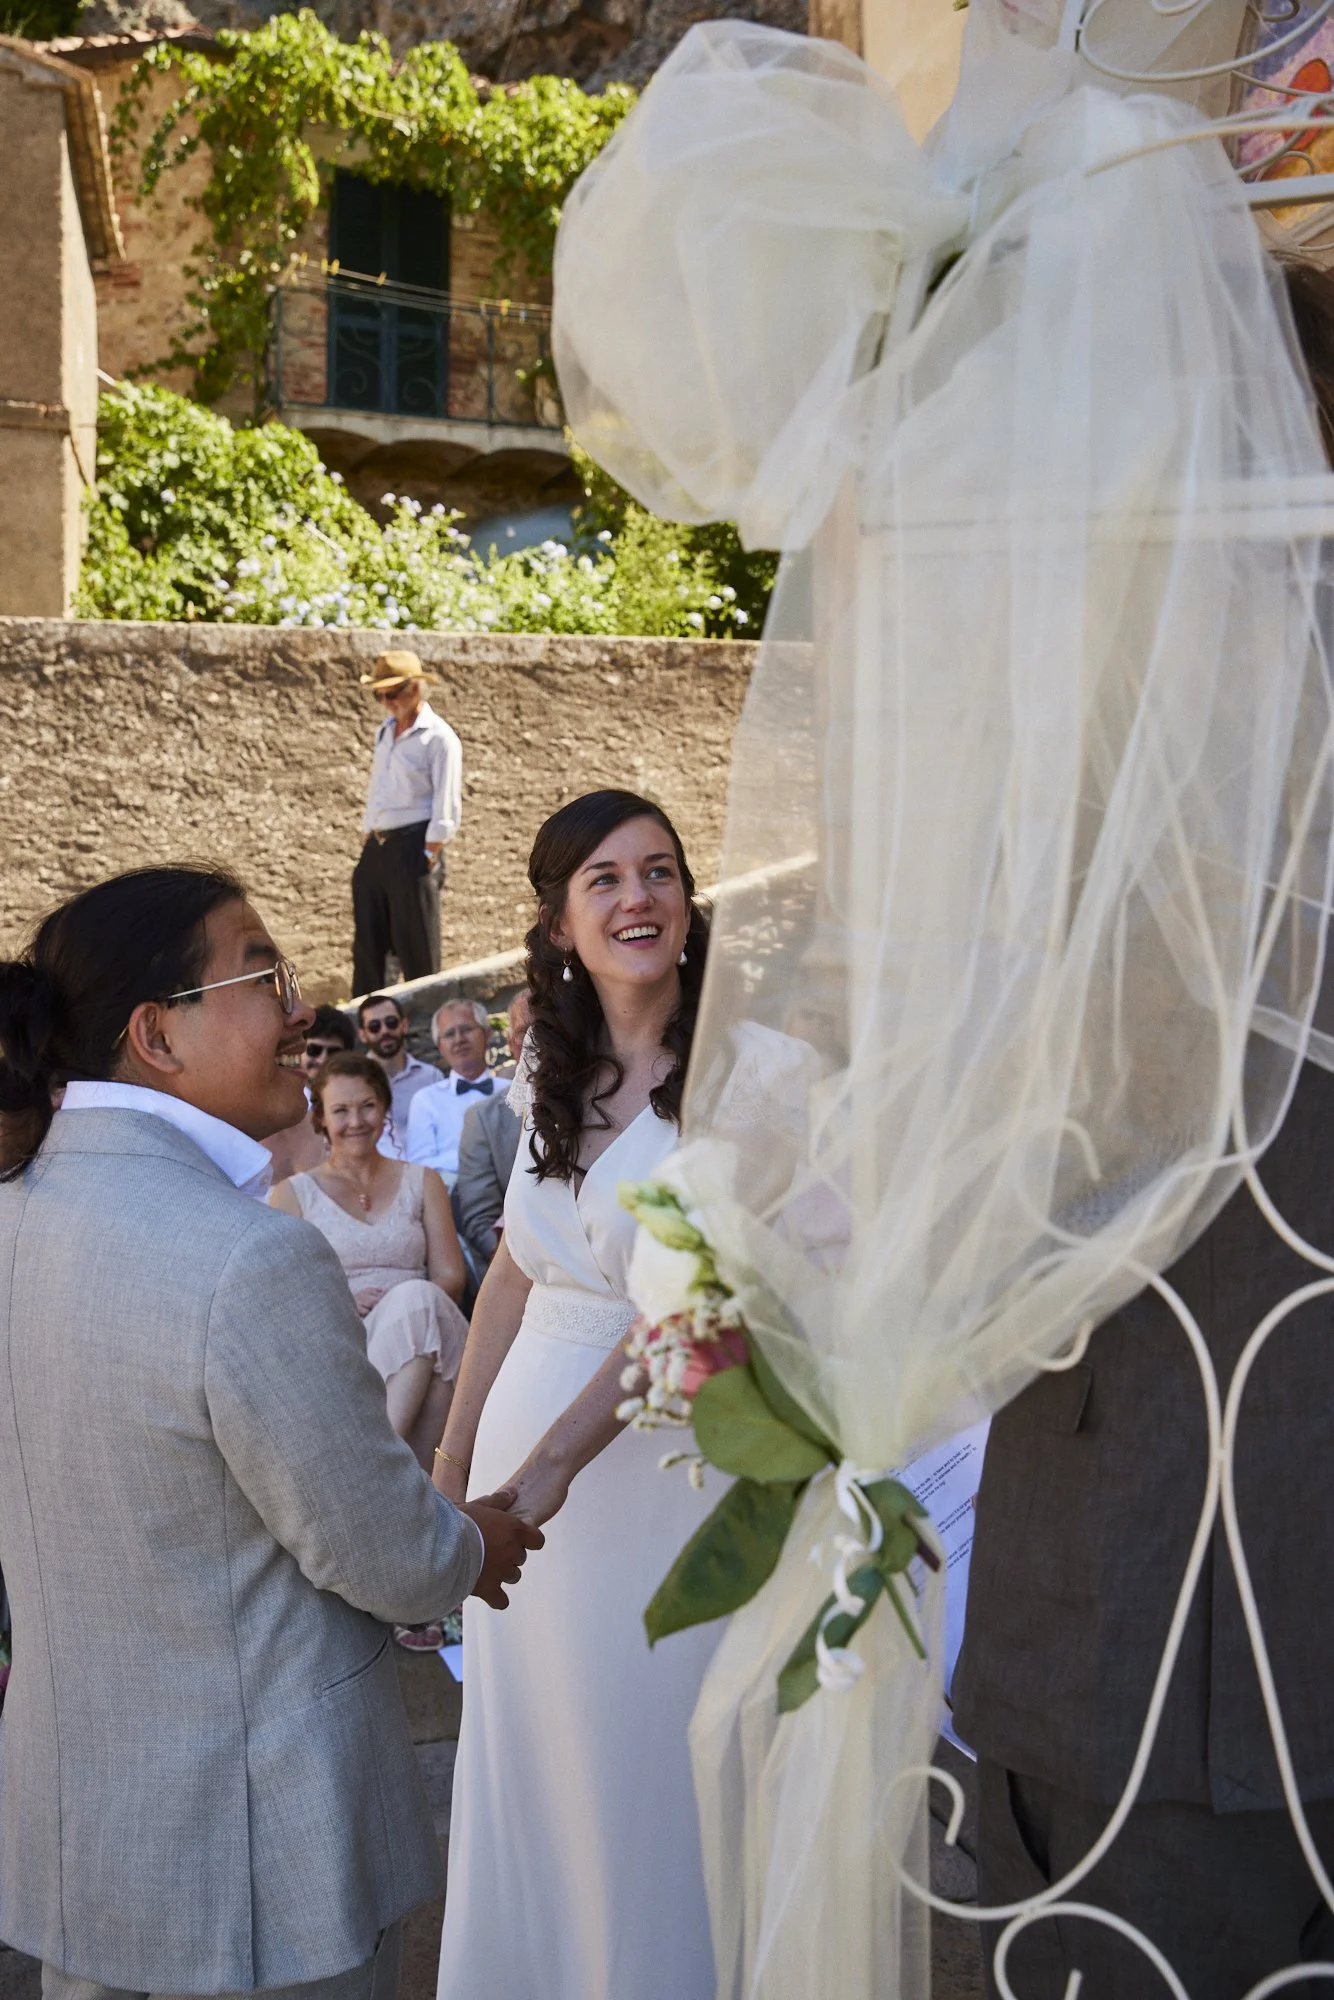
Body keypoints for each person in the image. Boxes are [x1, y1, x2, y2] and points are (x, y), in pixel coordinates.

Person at [0, 866, 542, 2000]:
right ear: (157, 1033)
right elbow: (377, 1548)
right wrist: (471, 1541)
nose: (301, 1007)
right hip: (256, 1852)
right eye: (264, 972)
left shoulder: (18, 1214)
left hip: (77, 1833)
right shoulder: (247, 1255)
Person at [432, 790, 719, 2000]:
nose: (636, 896)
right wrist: (449, 1470)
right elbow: (507, 1269)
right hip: (514, 1484)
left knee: (640, 1765)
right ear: (557, 922)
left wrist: (544, 1470)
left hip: (656, 1474)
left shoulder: (747, 1072)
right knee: (535, 1765)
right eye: (601, 878)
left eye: (658, 871)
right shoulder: (544, 1069)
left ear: (690, 906)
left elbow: (699, 1314)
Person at [269, 1053, 468, 1470]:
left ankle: (374, 1468)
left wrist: (404, 1303)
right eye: (341, 1110)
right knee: (430, 1376)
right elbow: (281, 1295)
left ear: (384, 1108)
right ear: (321, 1119)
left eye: (367, 1106)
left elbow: (450, 1276)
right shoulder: (292, 1194)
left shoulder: (422, 1180)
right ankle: (425, 1489)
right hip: (345, 1338)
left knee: (420, 1305)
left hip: (429, 1316)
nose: (356, 1121)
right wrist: (339, 1302)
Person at [352, 651, 462, 997]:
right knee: (369, 942)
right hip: (379, 845)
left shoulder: (439, 738)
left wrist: (429, 853)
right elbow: (379, 786)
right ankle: (366, 1021)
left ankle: (428, 1019)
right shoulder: (384, 732)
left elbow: (446, 800)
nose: (386, 702)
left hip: (415, 845)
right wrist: (369, 832)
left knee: (417, 944)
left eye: (392, 693)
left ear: (415, 689)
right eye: (379, 695)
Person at [453, 990, 531, 1276]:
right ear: (511, 1044)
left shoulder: (602, 1098)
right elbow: (480, 1220)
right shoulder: (484, 1119)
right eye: (525, 1032)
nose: (539, 1041)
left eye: (548, 1026)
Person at [405, 999, 496, 1188]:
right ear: (440, 1047)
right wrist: (478, 1157)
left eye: (466, 1030)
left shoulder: (511, 1090)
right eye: (449, 1034)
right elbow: (419, 1166)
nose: (458, 1039)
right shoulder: (425, 1100)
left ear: (487, 1034)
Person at [264, 1001, 355, 1183]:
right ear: (300, 1051)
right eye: (314, 1050)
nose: (323, 1059)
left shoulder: (359, 1103)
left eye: (333, 1052)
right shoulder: (281, 1104)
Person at [357, 990, 439, 1158]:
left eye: (391, 1022)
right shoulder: (354, 1082)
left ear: (404, 1025)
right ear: (363, 1035)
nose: (384, 1031)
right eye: (374, 1026)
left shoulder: (431, 1077)